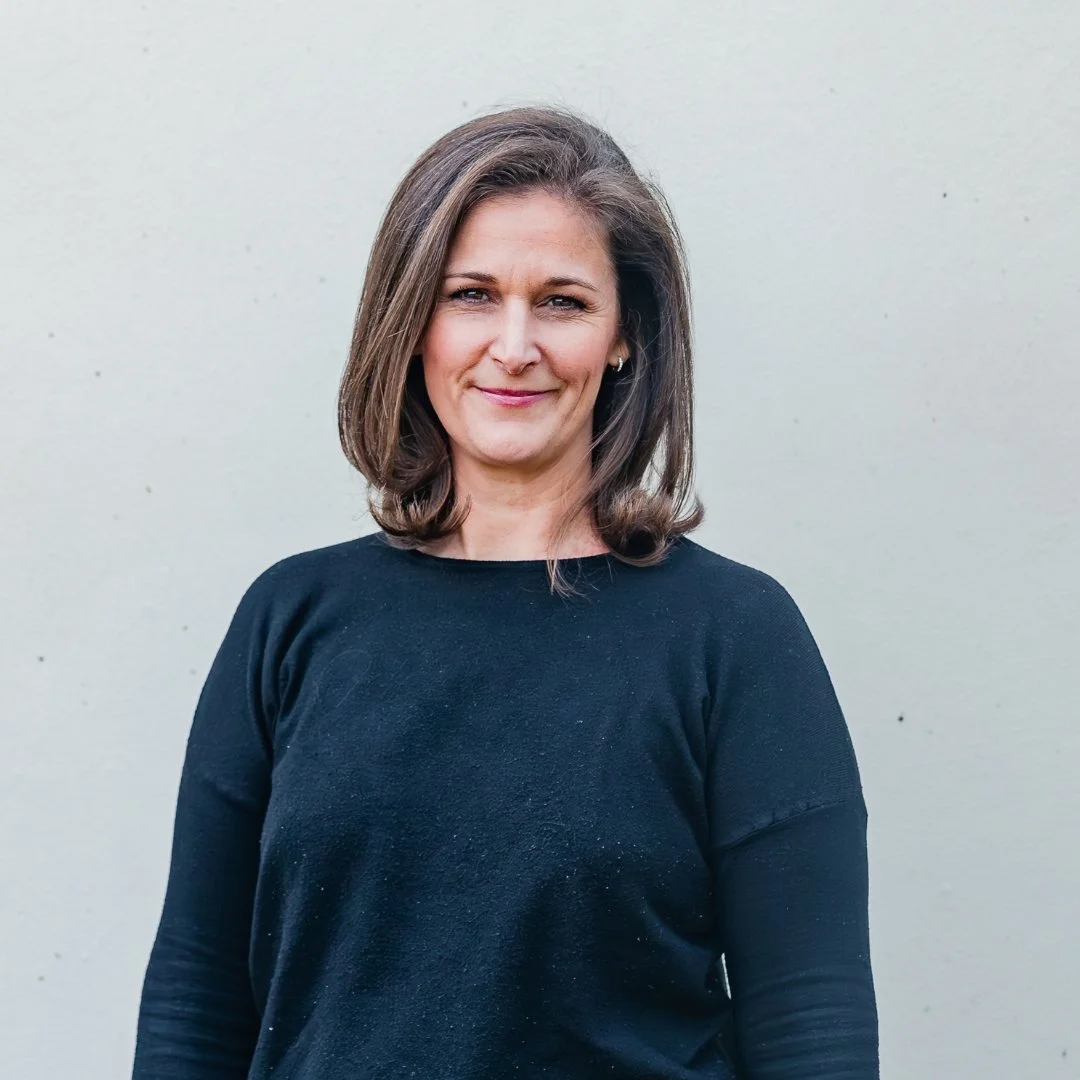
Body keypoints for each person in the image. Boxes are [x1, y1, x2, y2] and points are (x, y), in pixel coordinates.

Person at [132, 104, 879, 1079]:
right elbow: (198, 989)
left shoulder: (733, 637)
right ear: (413, 324)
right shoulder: (293, 620)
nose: (514, 344)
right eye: (472, 295)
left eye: (563, 301)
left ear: (623, 335)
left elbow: (809, 1020)